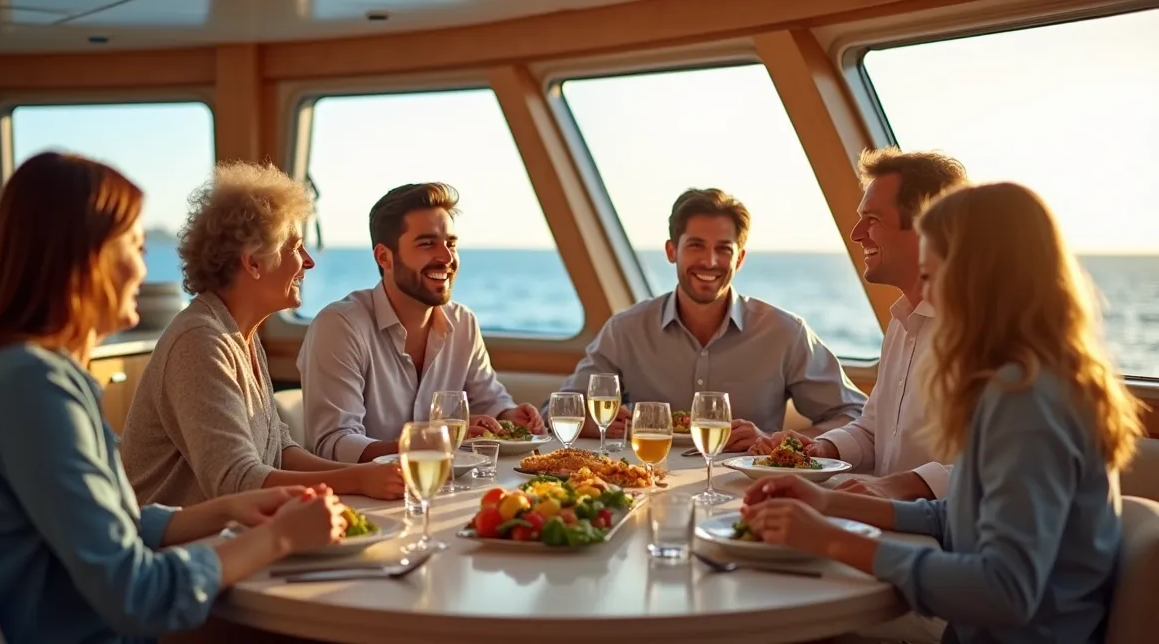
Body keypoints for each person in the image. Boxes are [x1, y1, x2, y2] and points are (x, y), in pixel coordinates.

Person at [0, 152, 347, 644]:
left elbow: (115, 523)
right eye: (135, 246)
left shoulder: (27, 373)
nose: (143, 270)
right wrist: (279, 537)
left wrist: (229, 511)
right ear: (85, 258)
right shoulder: (31, 389)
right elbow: (138, 594)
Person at [740, 182, 1146, 644]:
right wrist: (829, 503)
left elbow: (1006, 590)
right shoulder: (1028, 383)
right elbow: (963, 517)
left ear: (977, 281)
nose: (925, 295)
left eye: (930, 277)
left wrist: (831, 539)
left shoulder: (1027, 403)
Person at [122, 162, 405, 504]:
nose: (307, 261)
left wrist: (365, 472)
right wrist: (357, 480)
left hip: (231, 534)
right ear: (253, 262)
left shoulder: (241, 335)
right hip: (179, 548)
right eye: (295, 247)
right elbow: (235, 480)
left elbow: (278, 450)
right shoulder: (200, 341)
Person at [550, 188, 865, 450]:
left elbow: (855, 415)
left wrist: (779, 441)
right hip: (644, 484)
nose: (710, 261)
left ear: (739, 259)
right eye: (696, 246)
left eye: (723, 249)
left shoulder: (784, 333)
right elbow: (559, 410)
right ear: (672, 251)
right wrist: (590, 423)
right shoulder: (625, 330)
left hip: (748, 493)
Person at [749, 148, 968, 501]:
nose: (856, 234)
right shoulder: (902, 325)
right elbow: (873, 432)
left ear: (927, 225)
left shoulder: (985, 332)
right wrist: (821, 450)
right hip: (886, 524)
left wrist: (894, 487)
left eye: (873, 219)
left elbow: (1000, 473)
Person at [299, 182, 546, 463]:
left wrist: (509, 416)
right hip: (363, 499)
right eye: (428, 243)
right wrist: (432, 442)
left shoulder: (463, 322)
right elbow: (335, 443)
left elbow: (489, 399)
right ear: (384, 257)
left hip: (446, 489)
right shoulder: (340, 326)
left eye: (451, 243)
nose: (447, 257)